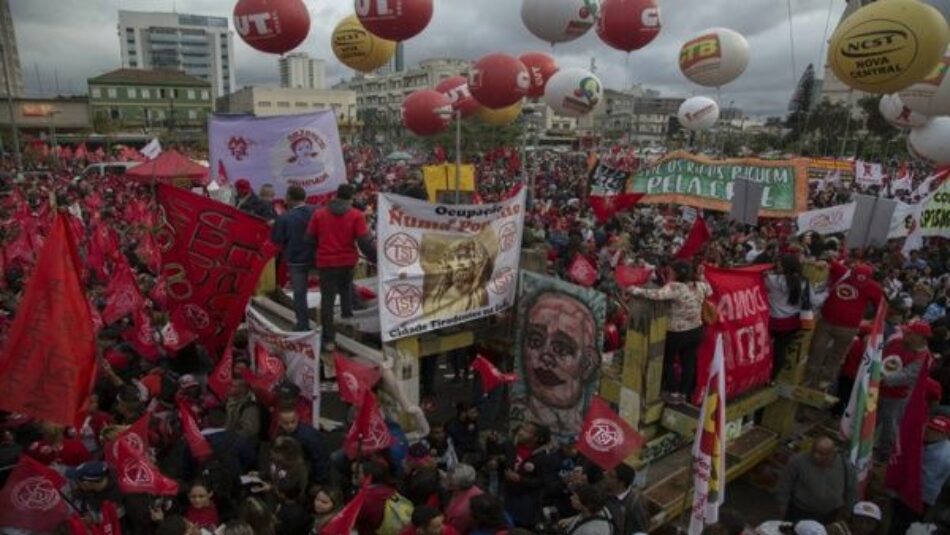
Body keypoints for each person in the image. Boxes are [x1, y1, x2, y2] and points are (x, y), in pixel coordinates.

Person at [516, 289, 601, 437]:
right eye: (536, 341)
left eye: (561, 349)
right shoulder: (517, 413)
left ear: (588, 363)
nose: (546, 356)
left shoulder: (590, 430)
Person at [628, 261, 711, 404]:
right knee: (689, 361)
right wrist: (702, 276)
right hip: (696, 330)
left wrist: (634, 290)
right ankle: (684, 393)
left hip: (677, 333)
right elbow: (710, 291)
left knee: (668, 360)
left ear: (677, 274)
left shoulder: (676, 287)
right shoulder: (700, 286)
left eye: (671, 272)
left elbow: (656, 295)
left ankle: (673, 391)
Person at [306, 183, 376, 351]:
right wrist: (375, 259)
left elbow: (309, 239)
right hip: (347, 261)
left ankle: (328, 339)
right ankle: (347, 323)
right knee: (346, 291)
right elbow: (364, 241)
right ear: (351, 198)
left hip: (326, 262)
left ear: (336, 195)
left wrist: (320, 250)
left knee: (327, 300)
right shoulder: (356, 215)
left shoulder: (319, 214)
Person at [806, 262, 883, 389]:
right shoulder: (842, 272)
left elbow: (881, 305)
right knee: (817, 350)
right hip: (827, 323)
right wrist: (822, 263)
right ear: (851, 272)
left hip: (848, 328)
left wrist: (873, 321)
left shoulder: (874, 287)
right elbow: (829, 261)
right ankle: (809, 379)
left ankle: (825, 381)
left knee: (837, 355)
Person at [876, 321, 933, 461]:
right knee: (870, 418)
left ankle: (885, 456)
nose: (906, 334)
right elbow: (880, 354)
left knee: (890, 427)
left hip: (896, 396)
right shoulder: (896, 342)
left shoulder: (924, 358)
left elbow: (907, 376)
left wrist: (881, 379)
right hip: (877, 389)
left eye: (911, 333)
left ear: (921, 337)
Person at [765, 255, 825, 381]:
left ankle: (762, 374)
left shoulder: (772, 280)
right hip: (792, 323)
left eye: (779, 264)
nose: (777, 266)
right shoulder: (803, 282)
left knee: (766, 349)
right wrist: (827, 292)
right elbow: (814, 301)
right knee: (781, 351)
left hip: (772, 321)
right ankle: (772, 378)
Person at [774, 436, 856, 524]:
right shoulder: (798, 461)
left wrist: (848, 511)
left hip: (830, 516)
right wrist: (782, 506)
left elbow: (851, 490)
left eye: (821, 454)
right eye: (814, 451)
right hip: (801, 513)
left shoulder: (845, 466)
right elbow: (785, 485)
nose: (816, 456)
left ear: (831, 454)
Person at [271, 185, 316, 331]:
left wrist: (273, 226)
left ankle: (303, 324)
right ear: (305, 197)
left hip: (297, 259)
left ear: (289, 198)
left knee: (299, 293)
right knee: (329, 291)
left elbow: (277, 239)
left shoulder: (285, 217)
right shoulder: (317, 212)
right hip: (318, 257)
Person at [502, 422, 558, 529]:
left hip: (526, 503)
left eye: (527, 431)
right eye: (522, 428)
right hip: (508, 495)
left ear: (536, 438)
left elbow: (542, 481)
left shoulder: (543, 458)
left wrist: (520, 479)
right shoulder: (512, 445)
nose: (521, 432)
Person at [275, 405, 330, 485]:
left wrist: (318, 483)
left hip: (309, 472)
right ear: (279, 422)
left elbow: (321, 460)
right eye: (286, 423)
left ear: (297, 419)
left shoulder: (309, 437)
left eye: (293, 422)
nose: (290, 426)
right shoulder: (280, 433)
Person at [600, 464, 649, 535]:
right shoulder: (603, 489)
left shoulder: (635, 504)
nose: (605, 476)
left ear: (621, 483)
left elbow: (641, 531)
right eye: (607, 473)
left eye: (610, 476)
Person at [444, 464, 484, 535]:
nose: (445, 479)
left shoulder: (462, 510)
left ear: (455, 485)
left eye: (448, 478)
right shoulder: (472, 487)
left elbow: (455, 531)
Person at [225, 374, 262, 443]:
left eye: (232, 386)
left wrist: (228, 437)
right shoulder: (230, 401)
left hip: (241, 443)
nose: (228, 388)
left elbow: (249, 431)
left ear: (243, 388)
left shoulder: (250, 407)